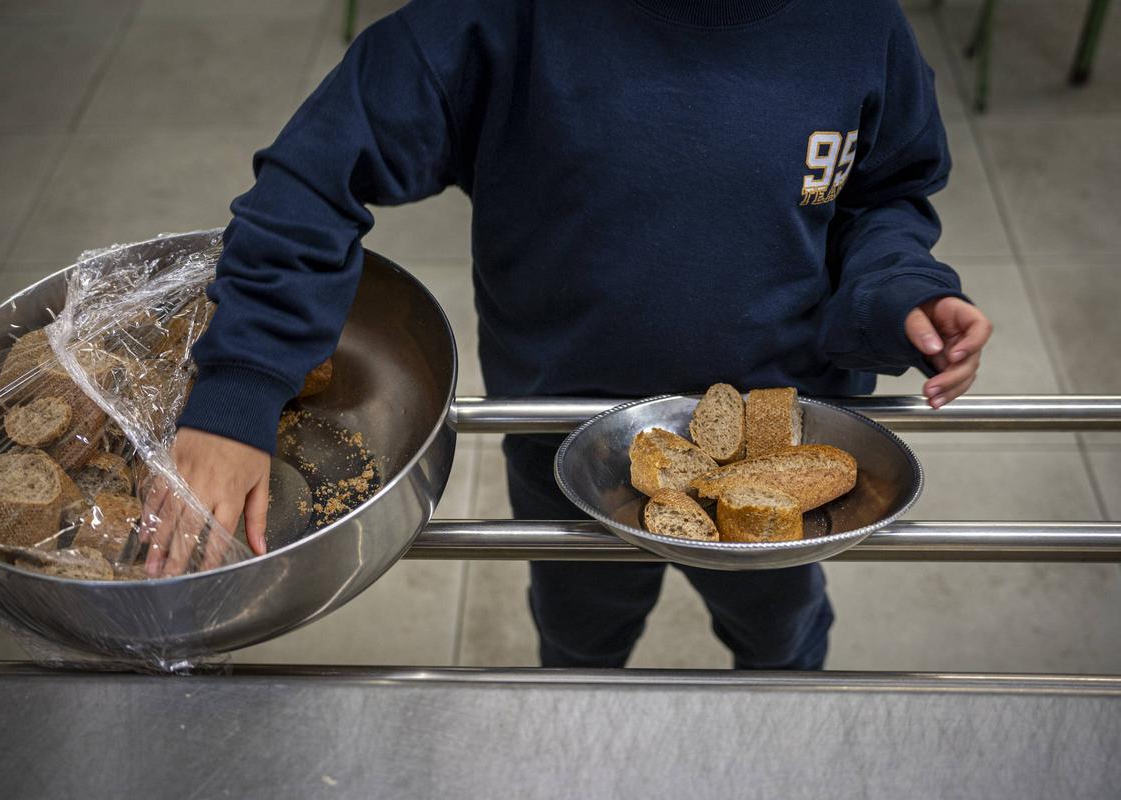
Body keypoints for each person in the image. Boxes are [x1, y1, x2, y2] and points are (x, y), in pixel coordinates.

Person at [152, 0, 993, 669]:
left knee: (780, 634)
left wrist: (901, 290)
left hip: (778, 456)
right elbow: (314, 172)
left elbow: (885, 198)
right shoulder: (501, 22)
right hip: (567, 442)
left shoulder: (864, 28)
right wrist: (241, 384)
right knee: (582, 636)